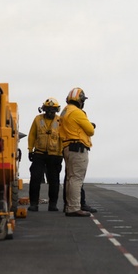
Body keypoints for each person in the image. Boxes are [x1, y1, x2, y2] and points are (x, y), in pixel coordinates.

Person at [60, 87, 95, 217]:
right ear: (80, 100)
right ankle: (74, 207)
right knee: (76, 178)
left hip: (67, 147)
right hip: (78, 148)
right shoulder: (77, 112)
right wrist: (91, 125)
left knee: (70, 178)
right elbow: (90, 130)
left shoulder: (65, 111)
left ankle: (70, 206)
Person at [27, 98, 64, 211]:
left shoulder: (60, 121)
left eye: (52, 110)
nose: (50, 113)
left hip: (55, 155)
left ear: (56, 110)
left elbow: (63, 138)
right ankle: (33, 204)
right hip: (39, 154)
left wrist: (61, 154)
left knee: (54, 181)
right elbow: (32, 135)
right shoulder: (37, 120)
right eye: (48, 110)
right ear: (43, 109)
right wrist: (30, 150)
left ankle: (53, 204)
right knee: (35, 179)